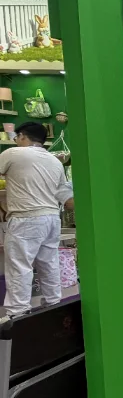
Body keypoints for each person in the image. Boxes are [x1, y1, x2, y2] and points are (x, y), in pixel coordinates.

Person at [0, 121, 74, 318]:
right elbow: (66, 198)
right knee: (49, 263)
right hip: (51, 218)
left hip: (25, 218)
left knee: (19, 266)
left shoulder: (13, 154)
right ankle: (53, 304)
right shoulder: (54, 161)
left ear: (22, 136)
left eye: (17, 138)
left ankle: (18, 313)